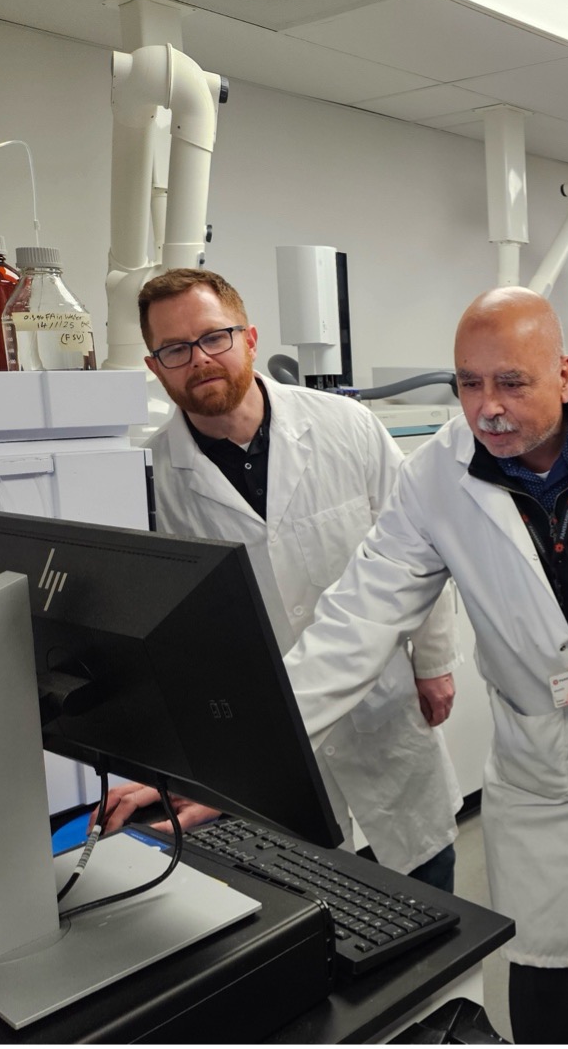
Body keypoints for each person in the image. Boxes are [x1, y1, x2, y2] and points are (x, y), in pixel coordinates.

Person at [280, 286, 568, 1044]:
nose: (487, 407)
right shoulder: (434, 477)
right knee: (544, 965)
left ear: (564, 373)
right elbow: (358, 614)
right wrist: (253, 751)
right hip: (545, 756)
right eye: (469, 383)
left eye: (511, 382)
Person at [100, 268, 462, 892]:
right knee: (313, 900)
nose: (200, 360)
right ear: (154, 366)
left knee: (427, 886)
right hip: (261, 729)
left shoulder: (346, 426)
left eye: (215, 338)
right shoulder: (154, 476)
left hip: (380, 704)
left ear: (249, 337)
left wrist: (434, 663)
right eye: (175, 350)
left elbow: (419, 547)